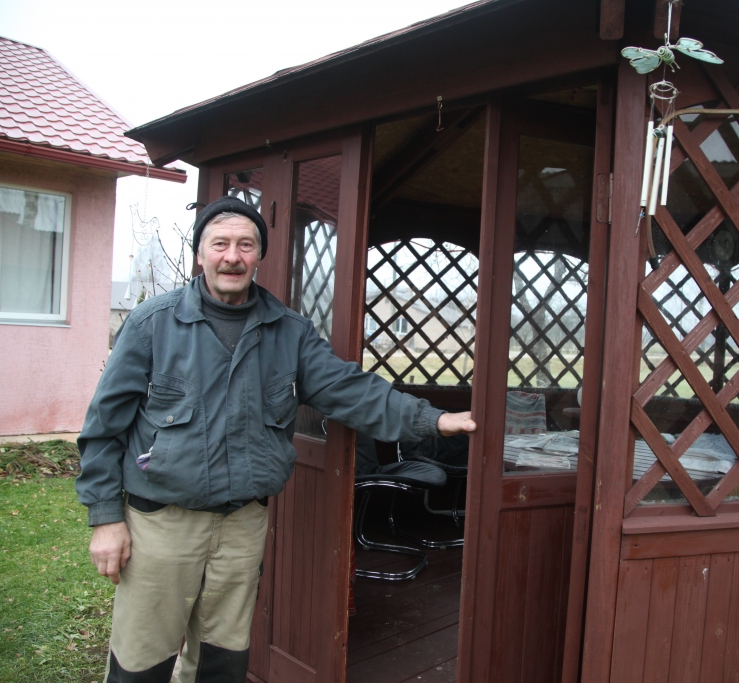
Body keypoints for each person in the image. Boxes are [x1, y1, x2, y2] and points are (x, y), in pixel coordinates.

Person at [75, 196, 476, 683]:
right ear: (200, 255)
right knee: (141, 661)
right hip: (161, 523)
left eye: (246, 245)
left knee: (223, 661)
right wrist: (105, 518)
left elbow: (348, 389)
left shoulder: (289, 332)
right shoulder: (152, 325)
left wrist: (433, 420)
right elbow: (103, 429)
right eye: (219, 244)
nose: (232, 256)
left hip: (242, 523)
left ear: (259, 256)